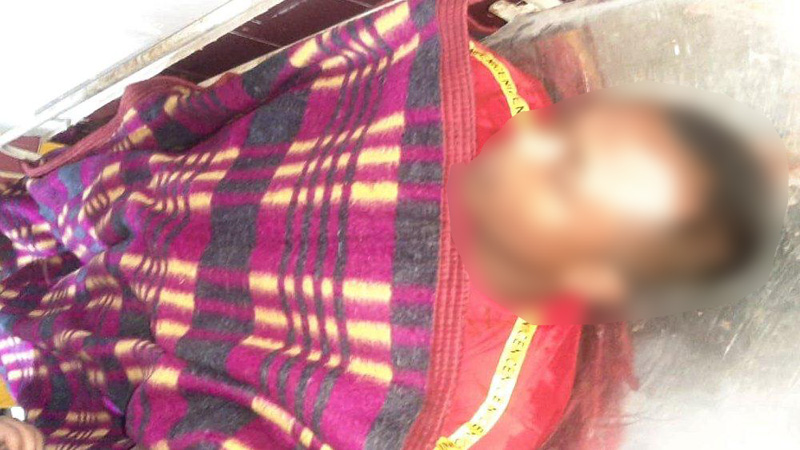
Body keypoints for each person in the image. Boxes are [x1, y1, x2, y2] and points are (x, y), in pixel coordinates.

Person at [0, 1, 779, 448]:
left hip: (93, 346)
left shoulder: (469, 404)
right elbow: (248, 125)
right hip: (109, 227)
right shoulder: (479, 100)